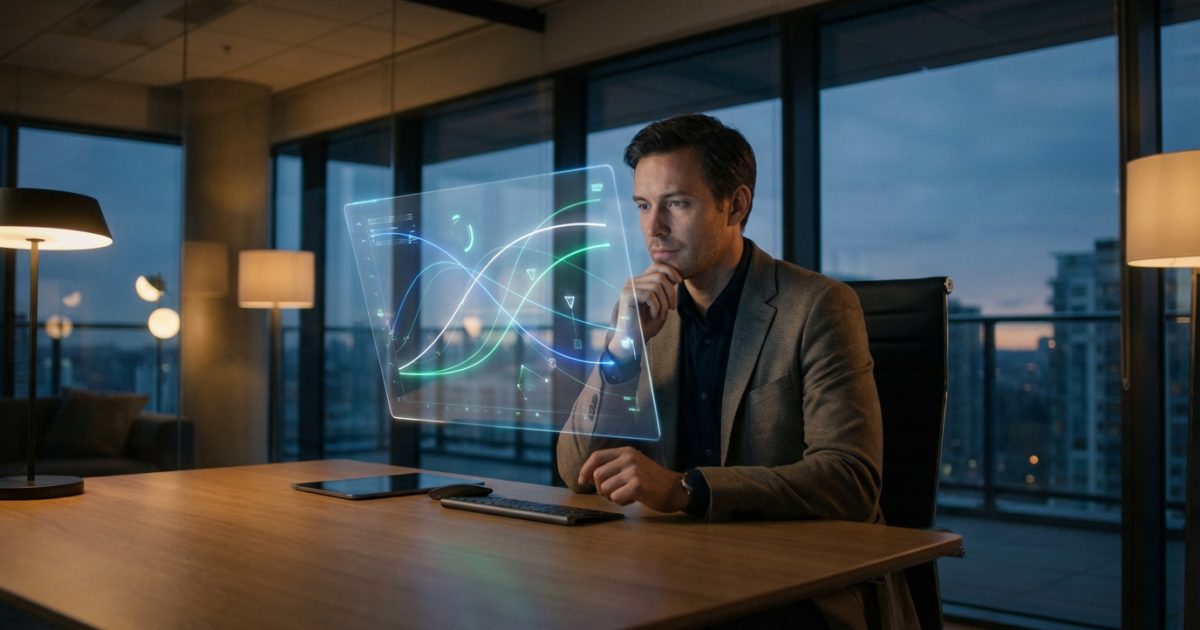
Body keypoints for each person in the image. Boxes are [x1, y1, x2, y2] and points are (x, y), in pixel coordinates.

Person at [555, 113, 916, 628]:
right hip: (675, 570)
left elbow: (850, 481)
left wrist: (685, 489)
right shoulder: (645, 315)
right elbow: (574, 471)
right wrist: (622, 350)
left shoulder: (819, 306)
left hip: (796, 580)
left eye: (676, 203)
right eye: (642, 205)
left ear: (737, 205)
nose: (653, 227)